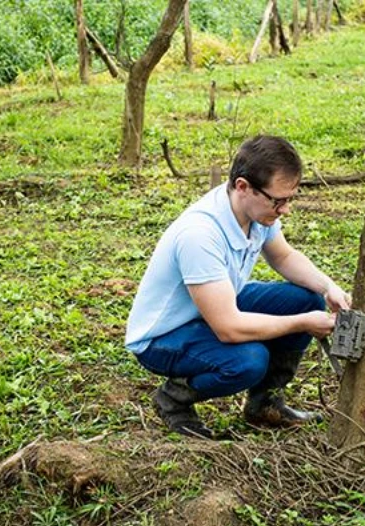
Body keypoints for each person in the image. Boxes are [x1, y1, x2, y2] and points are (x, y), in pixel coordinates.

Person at [125, 135, 351, 438]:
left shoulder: (255, 212)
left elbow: (283, 256)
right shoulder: (200, 235)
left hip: (214, 306)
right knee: (248, 360)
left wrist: (328, 287)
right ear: (243, 186)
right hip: (166, 335)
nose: (285, 210)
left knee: (306, 299)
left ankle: (264, 403)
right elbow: (228, 328)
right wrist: (302, 324)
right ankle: (173, 400)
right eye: (278, 200)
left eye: (290, 199)